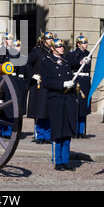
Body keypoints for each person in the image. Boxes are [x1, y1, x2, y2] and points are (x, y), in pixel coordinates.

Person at [40, 37, 77, 171]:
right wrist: (62, 84)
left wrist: (83, 60)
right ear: (52, 48)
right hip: (55, 99)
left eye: (63, 46)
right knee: (57, 131)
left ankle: (66, 161)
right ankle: (58, 161)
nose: (62, 48)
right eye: (59, 47)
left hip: (68, 99)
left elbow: (76, 63)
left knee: (67, 130)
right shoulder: (46, 62)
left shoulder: (66, 60)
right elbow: (47, 82)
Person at [26, 31, 53, 144]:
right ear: (43, 40)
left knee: (48, 110)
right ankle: (40, 135)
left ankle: (48, 135)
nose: (50, 40)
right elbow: (26, 63)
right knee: (40, 111)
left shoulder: (53, 52)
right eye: (48, 39)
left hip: (50, 84)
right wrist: (33, 74)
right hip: (39, 84)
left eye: (51, 38)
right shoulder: (36, 51)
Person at [66, 33, 92, 138]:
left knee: (83, 107)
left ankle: (81, 130)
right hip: (78, 79)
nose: (85, 45)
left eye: (86, 43)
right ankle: (74, 130)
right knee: (77, 106)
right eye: (83, 43)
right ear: (78, 44)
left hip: (85, 80)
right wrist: (80, 62)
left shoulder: (89, 53)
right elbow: (69, 63)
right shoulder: (73, 53)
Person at [10, 39, 29, 117]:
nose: (17, 48)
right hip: (12, 81)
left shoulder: (23, 57)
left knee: (21, 103)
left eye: (19, 46)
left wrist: (27, 83)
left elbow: (27, 72)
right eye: (16, 46)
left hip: (21, 81)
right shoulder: (9, 57)